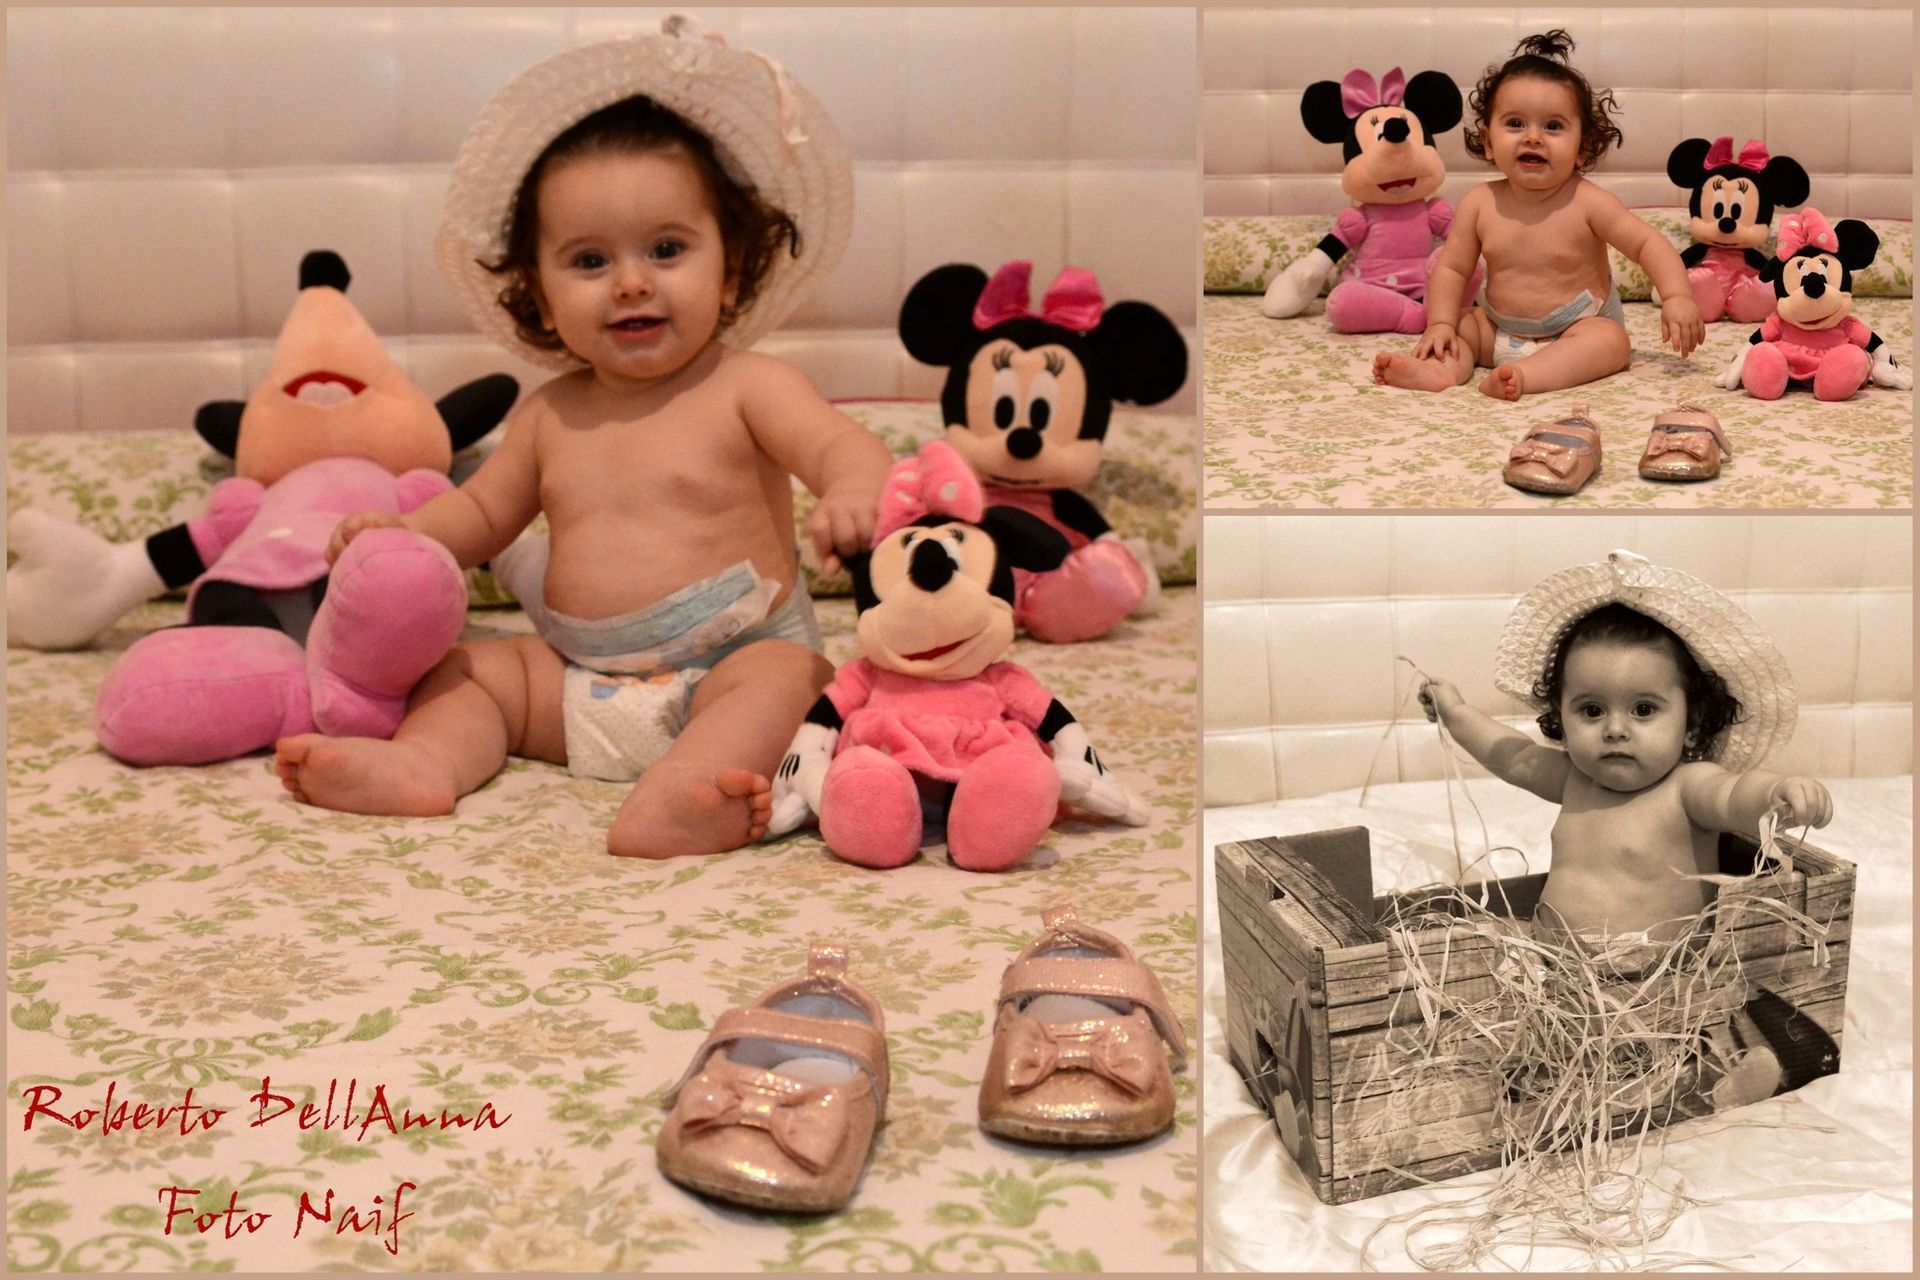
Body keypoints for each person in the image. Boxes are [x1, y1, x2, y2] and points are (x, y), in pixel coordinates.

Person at [275, 23, 891, 859]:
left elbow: (840, 447)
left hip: (730, 662)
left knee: (797, 686)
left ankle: (686, 792)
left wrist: (854, 494)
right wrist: (401, 538)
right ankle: (423, 765)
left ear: (733, 268)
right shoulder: (549, 414)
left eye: (667, 249)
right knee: (470, 673)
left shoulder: (749, 387)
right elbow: (481, 514)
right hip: (573, 683)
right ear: (540, 292)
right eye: (589, 260)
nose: (632, 280)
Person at [1419, 551, 1832, 941]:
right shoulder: (1576, 779)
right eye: (1592, 710)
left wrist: (1777, 793)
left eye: (1644, 709)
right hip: (1551, 966)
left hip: (1647, 981)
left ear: (1693, 724)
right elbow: (1511, 754)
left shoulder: (1687, 787)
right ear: (1560, 718)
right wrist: (1454, 711)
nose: (1615, 729)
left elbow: (1735, 796)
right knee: (1462, 941)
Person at [1372, 30, 1705, 400]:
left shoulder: (1589, 202)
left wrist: (1677, 296)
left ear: (1583, 148)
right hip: (1497, 326)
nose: (1533, 137)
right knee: (1463, 327)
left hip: (1577, 328)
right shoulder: (1480, 203)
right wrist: (1439, 324)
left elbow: (1647, 244)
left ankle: (1526, 375)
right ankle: (1440, 369)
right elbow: (1452, 269)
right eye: (1515, 124)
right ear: (1488, 142)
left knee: (1611, 342)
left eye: (1553, 126)